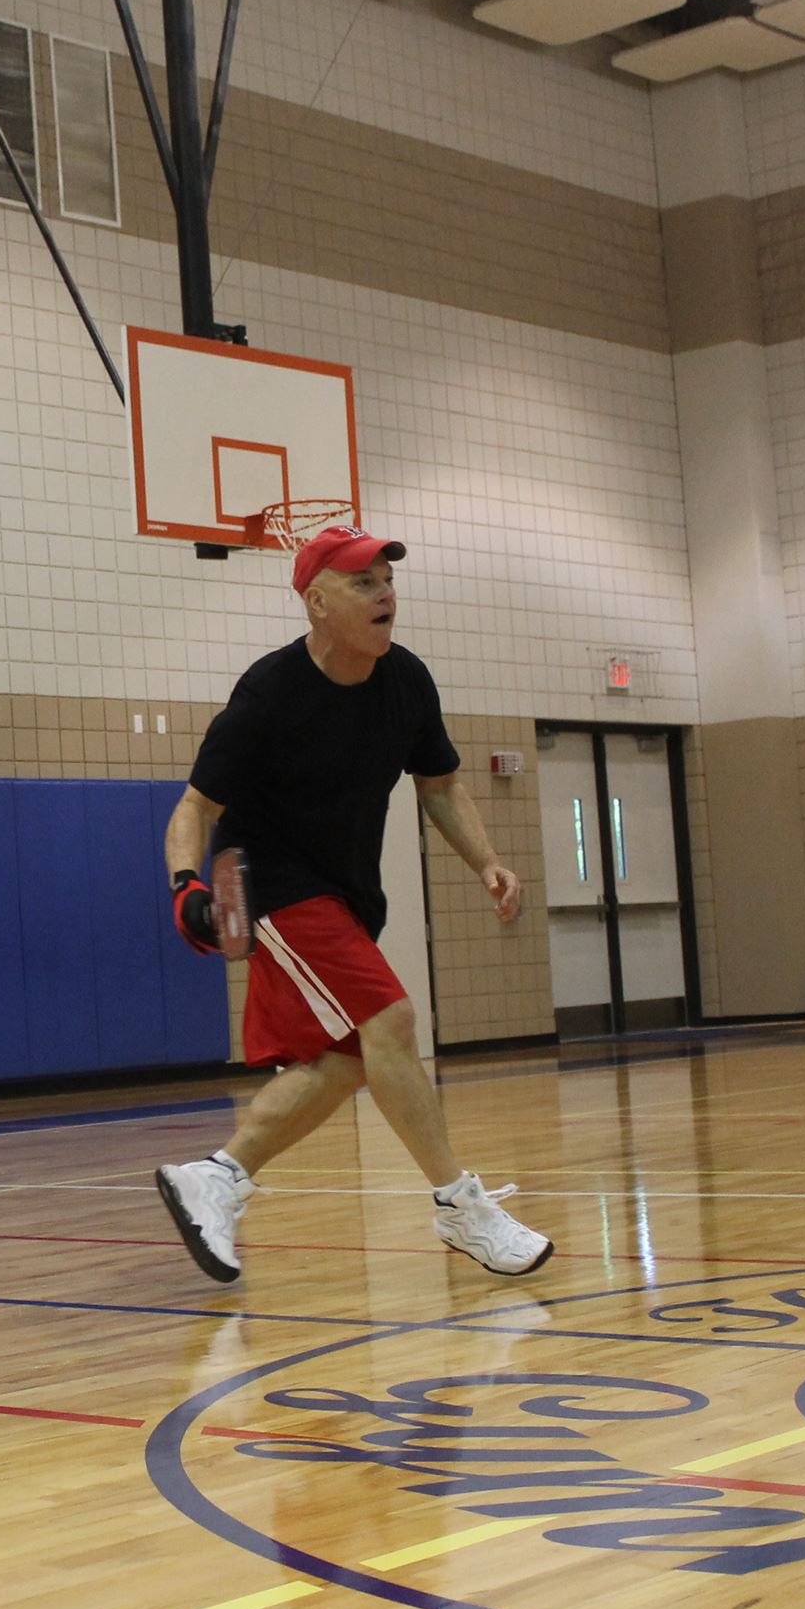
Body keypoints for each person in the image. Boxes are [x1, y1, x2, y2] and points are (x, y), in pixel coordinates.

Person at [155, 526, 551, 1284]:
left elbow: (439, 785)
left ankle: (216, 1177)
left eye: (386, 580)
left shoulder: (407, 681)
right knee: (391, 1022)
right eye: (363, 582)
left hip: (347, 892)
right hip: (265, 882)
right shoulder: (268, 694)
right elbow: (196, 807)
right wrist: (185, 888)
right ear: (318, 602)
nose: (385, 594)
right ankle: (460, 1207)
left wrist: (489, 861)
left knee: (342, 1061)